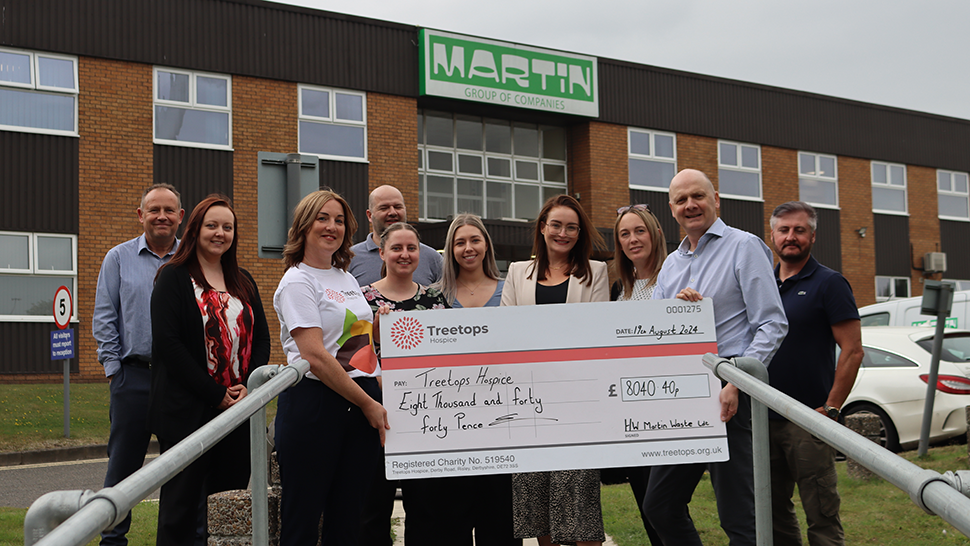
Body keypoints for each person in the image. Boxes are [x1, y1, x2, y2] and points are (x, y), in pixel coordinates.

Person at [645, 168, 788, 546]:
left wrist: (738, 381)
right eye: (681, 200)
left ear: (716, 200)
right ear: (672, 209)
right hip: (685, 401)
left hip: (731, 399)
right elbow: (657, 333)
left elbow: (772, 324)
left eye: (698, 196)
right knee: (659, 504)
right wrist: (674, 312)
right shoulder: (671, 266)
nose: (690, 205)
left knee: (740, 519)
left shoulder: (744, 246)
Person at [149, 194, 270, 545]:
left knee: (225, 509)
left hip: (237, 410)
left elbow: (261, 338)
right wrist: (216, 394)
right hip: (187, 411)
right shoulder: (172, 277)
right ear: (195, 229)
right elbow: (170, 346)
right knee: (180, 511)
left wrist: (249, 385)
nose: (220, 233)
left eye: (227, 227)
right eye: (212, 225)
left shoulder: (243, 280)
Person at [273, 190, 388, 546]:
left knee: (348, 519)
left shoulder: (346, 277)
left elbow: (358, 343)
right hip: (317, 406)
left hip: (360, 402)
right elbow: (317, 357)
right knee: (302, 521)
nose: (331, 226)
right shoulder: (297, 281)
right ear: (304, 226)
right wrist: (369, 404)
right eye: (322, 218)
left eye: (339, 220)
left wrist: (379, 390)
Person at [501, 194, 609, 546]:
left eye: (572, 227)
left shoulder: (596, 272)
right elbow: (507, 335)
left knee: (579, 497)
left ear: (580, 233)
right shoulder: (518, 272)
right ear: (543, 227)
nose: (563, 233)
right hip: (527, 401)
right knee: (535, 496)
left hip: (576, 401)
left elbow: (595, 334)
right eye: (557, 225)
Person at [92, 183, 183, 546]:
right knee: (123, 468)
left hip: (180, 381)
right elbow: (104, 317)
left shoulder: (190, 260)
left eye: (169, 210)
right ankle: (113, 539)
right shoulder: (118, 257)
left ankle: (177, 539)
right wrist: (114, 370)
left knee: (180, 466)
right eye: (154, 209)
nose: (162, 216)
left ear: (180, 216)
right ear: (141, 214)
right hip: (132, 377)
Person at [768, 201, 863, 546]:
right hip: (762, 419)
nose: (791, 237)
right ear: (773, 235)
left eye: (799, 229)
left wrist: (831, 408)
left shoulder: (829, 283)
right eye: (784, 230)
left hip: (809, 419)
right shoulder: (761, 282)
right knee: (772, 512)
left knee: (821, 513)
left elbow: (852, 350)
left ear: (812, 235)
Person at [350, 185, 439, 546]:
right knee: (372, 509)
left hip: (425, 416)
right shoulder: (361, 299)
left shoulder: (435, 299)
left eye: (411, 248)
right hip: (375, 413)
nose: (404, 254)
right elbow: (352, 355)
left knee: (425, 509)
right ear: (381, 252)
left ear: (421, 254)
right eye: (397, 249)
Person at [432, 213, 520, 545]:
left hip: (503, 424)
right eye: (460, 242)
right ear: (449, 250)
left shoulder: (510, 289)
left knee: (500, 523)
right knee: (452, 522)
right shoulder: (433, 297)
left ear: (487, 245)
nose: (468, 248)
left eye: (475, 240)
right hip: (451, 427)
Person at [608, 204, 667, 546]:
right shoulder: (620, 289)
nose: (633, 240)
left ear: (655, 233)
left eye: (639, 231)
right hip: (630, 415)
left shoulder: (675, 277)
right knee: (645, 502)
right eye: (625, 234)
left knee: (665, 505)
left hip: (667, 412)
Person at [348, 184, 443, 286]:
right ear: (370, 215)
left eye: (398, 207)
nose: (392, 212)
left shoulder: (433, 258)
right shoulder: (349, 258)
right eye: (384, 208)